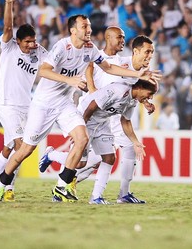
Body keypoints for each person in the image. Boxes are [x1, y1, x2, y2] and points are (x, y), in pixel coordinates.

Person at [0, 15, 160, 202]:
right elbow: (44, 70)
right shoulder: (62, 47)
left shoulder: (90, 48)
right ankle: (0, 183)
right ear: (73, 30)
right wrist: (71, 80)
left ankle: (62, 187)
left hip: (65, 103)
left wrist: (137, 74)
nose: (88, 29)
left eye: (88, 26)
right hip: (43, 104)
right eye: (84, 26)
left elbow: (109, 68)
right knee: (25, 150)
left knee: (82, 138)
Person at [39, 29, 157, 203]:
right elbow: (90, 66)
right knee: (83, 161)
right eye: (119, 38)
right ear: (108, 38)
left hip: (111, 113)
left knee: (111, 156)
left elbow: (134, 90)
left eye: (124, 38)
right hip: (93, 109)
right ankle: (58, 170)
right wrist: (92, 90)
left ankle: (114, 195)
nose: (122, 41)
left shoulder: (130, 65)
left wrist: (145, 100)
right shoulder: (106, 60)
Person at [0, 0, 47, 202]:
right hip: (6, 104)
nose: (32, 45)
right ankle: (6, 187)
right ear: (18, 41)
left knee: (9, 148)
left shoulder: (39, 52)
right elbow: (7, 28)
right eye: (28, 42)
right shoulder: (9, 46)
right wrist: (9, 4)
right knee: (22, 146)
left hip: (26, 107)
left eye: (34, 41)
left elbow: (54, 65)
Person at [64, 80, 156, 204]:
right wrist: (81, 128)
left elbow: (126, 121)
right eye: (150, 93)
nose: (150, 98)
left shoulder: (132, 101)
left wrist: (135, 142)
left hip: (103, 123)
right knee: (80, 164)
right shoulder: (118, 90)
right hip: (87, 119)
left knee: (109, 157)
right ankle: (51, 155)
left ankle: (96, 197)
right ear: (139, 87)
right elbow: (92, 106)